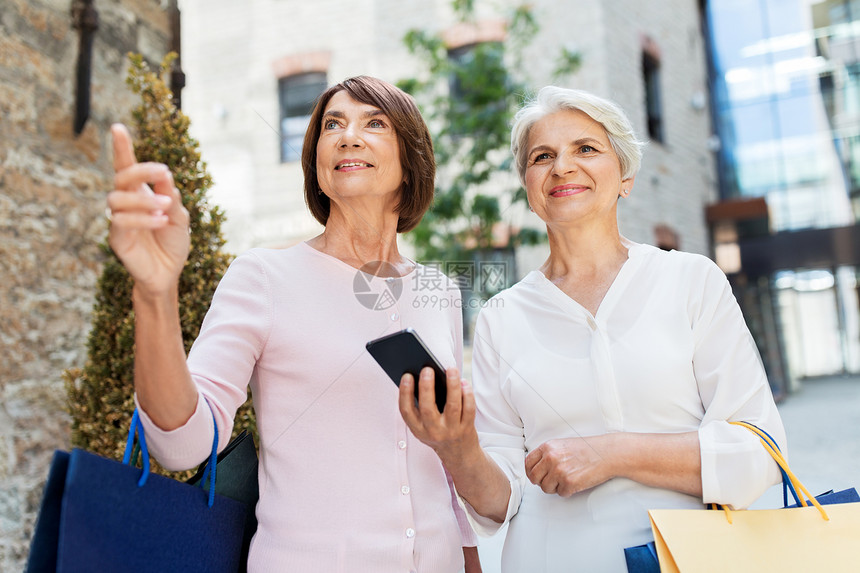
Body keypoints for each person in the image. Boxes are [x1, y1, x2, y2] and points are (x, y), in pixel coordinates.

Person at [398, 86, 786, 571]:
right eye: (543, 156)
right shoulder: (502, 316)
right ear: (529, 186)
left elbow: (759, 451)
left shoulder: (690, 280)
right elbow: (500, 502)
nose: (563, 166)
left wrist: (611, 454)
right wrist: (456, 449)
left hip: (693, 559)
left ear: (624, 175)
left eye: (585, 149)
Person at [107, 75, 480, 572]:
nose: (348, 135)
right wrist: (155, 294)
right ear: (317, 165)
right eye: (332, 124)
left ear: (412, 163)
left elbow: (448, 477)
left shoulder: (441, 292)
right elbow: (182, 444)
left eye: (374, 123)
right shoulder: (262, 276)